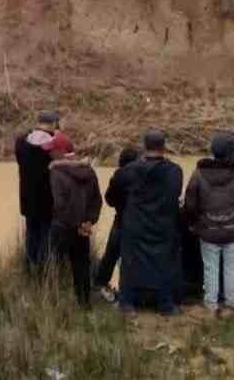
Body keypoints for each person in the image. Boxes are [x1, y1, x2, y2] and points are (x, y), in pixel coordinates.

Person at [115, 130, 184, 317]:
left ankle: (127, 304)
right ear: (164, 146)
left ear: (144, 146)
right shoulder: (174, 171)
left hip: (135, 223)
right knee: (164, 262)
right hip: (163, 223)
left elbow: (112, 195)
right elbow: (174, 196)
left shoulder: (128, 171)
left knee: (130, 263)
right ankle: (165, 305)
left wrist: (127, 208)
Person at [46, 132, 103, 308]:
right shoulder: (89, 170)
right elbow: (97, 200)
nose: (49, 153)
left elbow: (59, 204)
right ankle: (84, 303)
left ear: (60, 151)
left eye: (52, 150)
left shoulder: (56, 172)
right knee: (82, 266)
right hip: (83, 228)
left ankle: (52, 304)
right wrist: (88, 222)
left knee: (54, 265)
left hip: (63, 227)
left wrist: (71, 223)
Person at [183, 132, 234, 316]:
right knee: (231, 268)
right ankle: (231, 304)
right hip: (231, 230)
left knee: (211, 268)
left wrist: (193, 223)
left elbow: (190, 203)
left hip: (207, 230)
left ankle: (211, 305)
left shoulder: (198, 173)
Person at [93, 147, 140, 302]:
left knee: (110, 256)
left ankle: (100, 285)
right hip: (143, 223)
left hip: (121, 221)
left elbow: (109, 199)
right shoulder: (146, 175)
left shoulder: (119, 176)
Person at [16, 110, 59, 270]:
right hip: (47, 198)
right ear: (54, 124)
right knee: (46, 236)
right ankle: (43, 273)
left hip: (27, 197)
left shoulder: (21, 143)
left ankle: (29, 268)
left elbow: (24, 141)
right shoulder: (52, 146)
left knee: (31, 233)